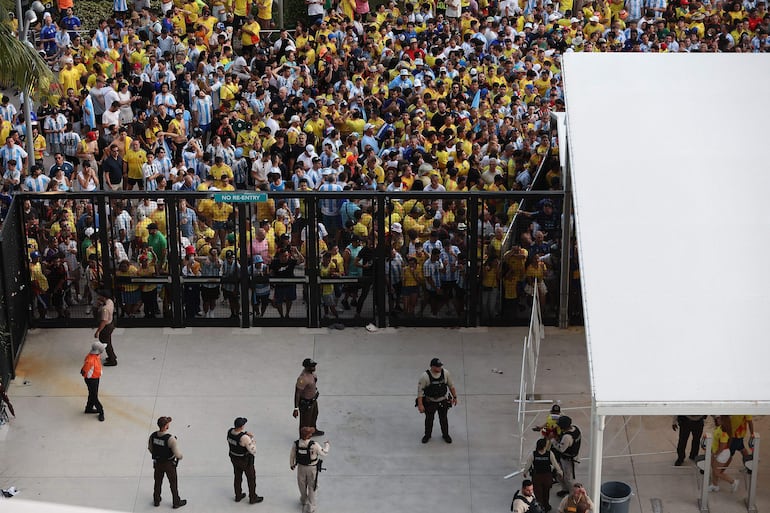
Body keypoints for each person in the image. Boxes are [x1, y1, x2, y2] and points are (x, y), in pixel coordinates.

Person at [148, 416, 187, 509]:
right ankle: (176, 502)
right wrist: (181, 456)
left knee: (157, 482)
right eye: (168, 423)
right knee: (173, 484)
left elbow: (150, 449)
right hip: (169, 464)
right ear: (166, 426)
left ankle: (156, 500)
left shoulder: (153, 436)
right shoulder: (170, 439)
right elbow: (177, 454)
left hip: (157, 463)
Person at [417, 357, 458, 444]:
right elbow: (420, 392)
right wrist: (420, 405)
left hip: (442, 400)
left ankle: (445, 435)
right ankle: (427, 435)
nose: (439, 368)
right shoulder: (425, 376)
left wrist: (455, 397)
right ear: (432, 367)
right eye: (437, 367)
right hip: (430, 402)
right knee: (429, 420)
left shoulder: (445, 373)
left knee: (443, 419)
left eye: (440, 366)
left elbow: (451, 386)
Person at [290, 426, 330, 513]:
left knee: (302, 484)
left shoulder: (296, 444)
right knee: (312, 486)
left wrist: (292, 464)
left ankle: (304, 500)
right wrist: (327, 445)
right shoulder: (314, 445)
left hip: (301, 467)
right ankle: (311, 506)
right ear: (309, 436)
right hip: (312, 468)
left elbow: (292, 455)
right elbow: (324, 453)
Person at [227, 417, 264, 504]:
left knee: (237, 477)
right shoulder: (244, 438)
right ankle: (252, 497)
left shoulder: (230, 432)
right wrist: (251, 438)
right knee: (251, 479)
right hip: (245, 461)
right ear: (242, 426)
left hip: (234, 458)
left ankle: (238, 495)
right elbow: (253, 450)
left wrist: (245, 434)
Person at [525, 438, 562, 512]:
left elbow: (528, 464)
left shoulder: (533, 454)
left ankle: (540, 508)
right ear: (545, 446)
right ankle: (546, 506)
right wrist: (560, 472)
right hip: (547, 477)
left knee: (538, 494)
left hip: (537, 476)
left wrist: (525, 472)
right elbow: (555, 464)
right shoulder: (549, 453)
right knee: (546, 492)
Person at [550, 416, 581, 497]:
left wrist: (553, 440)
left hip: (568, 460)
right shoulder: (575, 429)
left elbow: (561, 449)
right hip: (573, 456)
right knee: (559, 475)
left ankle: (573, 495)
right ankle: (565, 489)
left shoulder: (567, 437)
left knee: (568, 479)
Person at [294, 358, 324, 437]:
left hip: (313, 400)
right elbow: (297, 393)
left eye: (314, 365)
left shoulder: (312, 374)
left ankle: (313, 430)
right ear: (306, 367)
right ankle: (303, 439)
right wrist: (296, 408)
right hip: (306, 403)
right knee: (305, 422)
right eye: (312, 366)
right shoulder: (302, 379)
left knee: (314, 415)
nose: (314, 367)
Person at [81, 341, 106, 422]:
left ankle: (89, 408)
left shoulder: (96, 355)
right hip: (92, 380)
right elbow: (84, 371)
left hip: (95, 377)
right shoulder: (90, 360)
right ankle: (101, 411)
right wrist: (87, 376)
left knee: (92, 394)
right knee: (94, 396)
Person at [94, 289, 117, 366]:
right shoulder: (110, 301)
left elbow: (103, 321)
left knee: (106, 343)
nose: (98, 296)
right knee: (108, 341)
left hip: (106, 327)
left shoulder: (105, 309)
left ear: (103, 297)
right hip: (111, 324)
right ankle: (112, 356)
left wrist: (98, 331)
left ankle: (112, 360)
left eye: (100, 295)